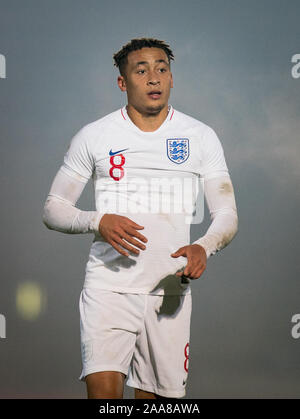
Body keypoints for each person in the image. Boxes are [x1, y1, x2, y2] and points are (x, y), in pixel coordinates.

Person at [42, 37, 238, 399]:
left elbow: (226, 213)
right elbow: (53, 208)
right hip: (108, 289)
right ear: (122, 82)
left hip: (169, 292)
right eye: (141, 70)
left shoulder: (201, 137)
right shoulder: (95, 136)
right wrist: (97, 221)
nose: (153, 78)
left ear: (172, 78)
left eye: (162, 69)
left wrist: (203, 246)